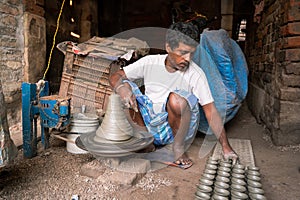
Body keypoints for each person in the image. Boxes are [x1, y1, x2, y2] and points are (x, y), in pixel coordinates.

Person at [108, 22, 238, 168]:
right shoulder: (150, 62)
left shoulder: (196, 74)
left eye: (192, 53)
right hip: (151, 126)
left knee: (176, 100)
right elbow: (116, 75)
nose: (187, 59)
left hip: (177, 131)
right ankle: (146, 142)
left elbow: (211, 112)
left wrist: (226, 148)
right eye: (182, 52)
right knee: (124, 87)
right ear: (168, 47)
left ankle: (177, 149)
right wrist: (121, 88)